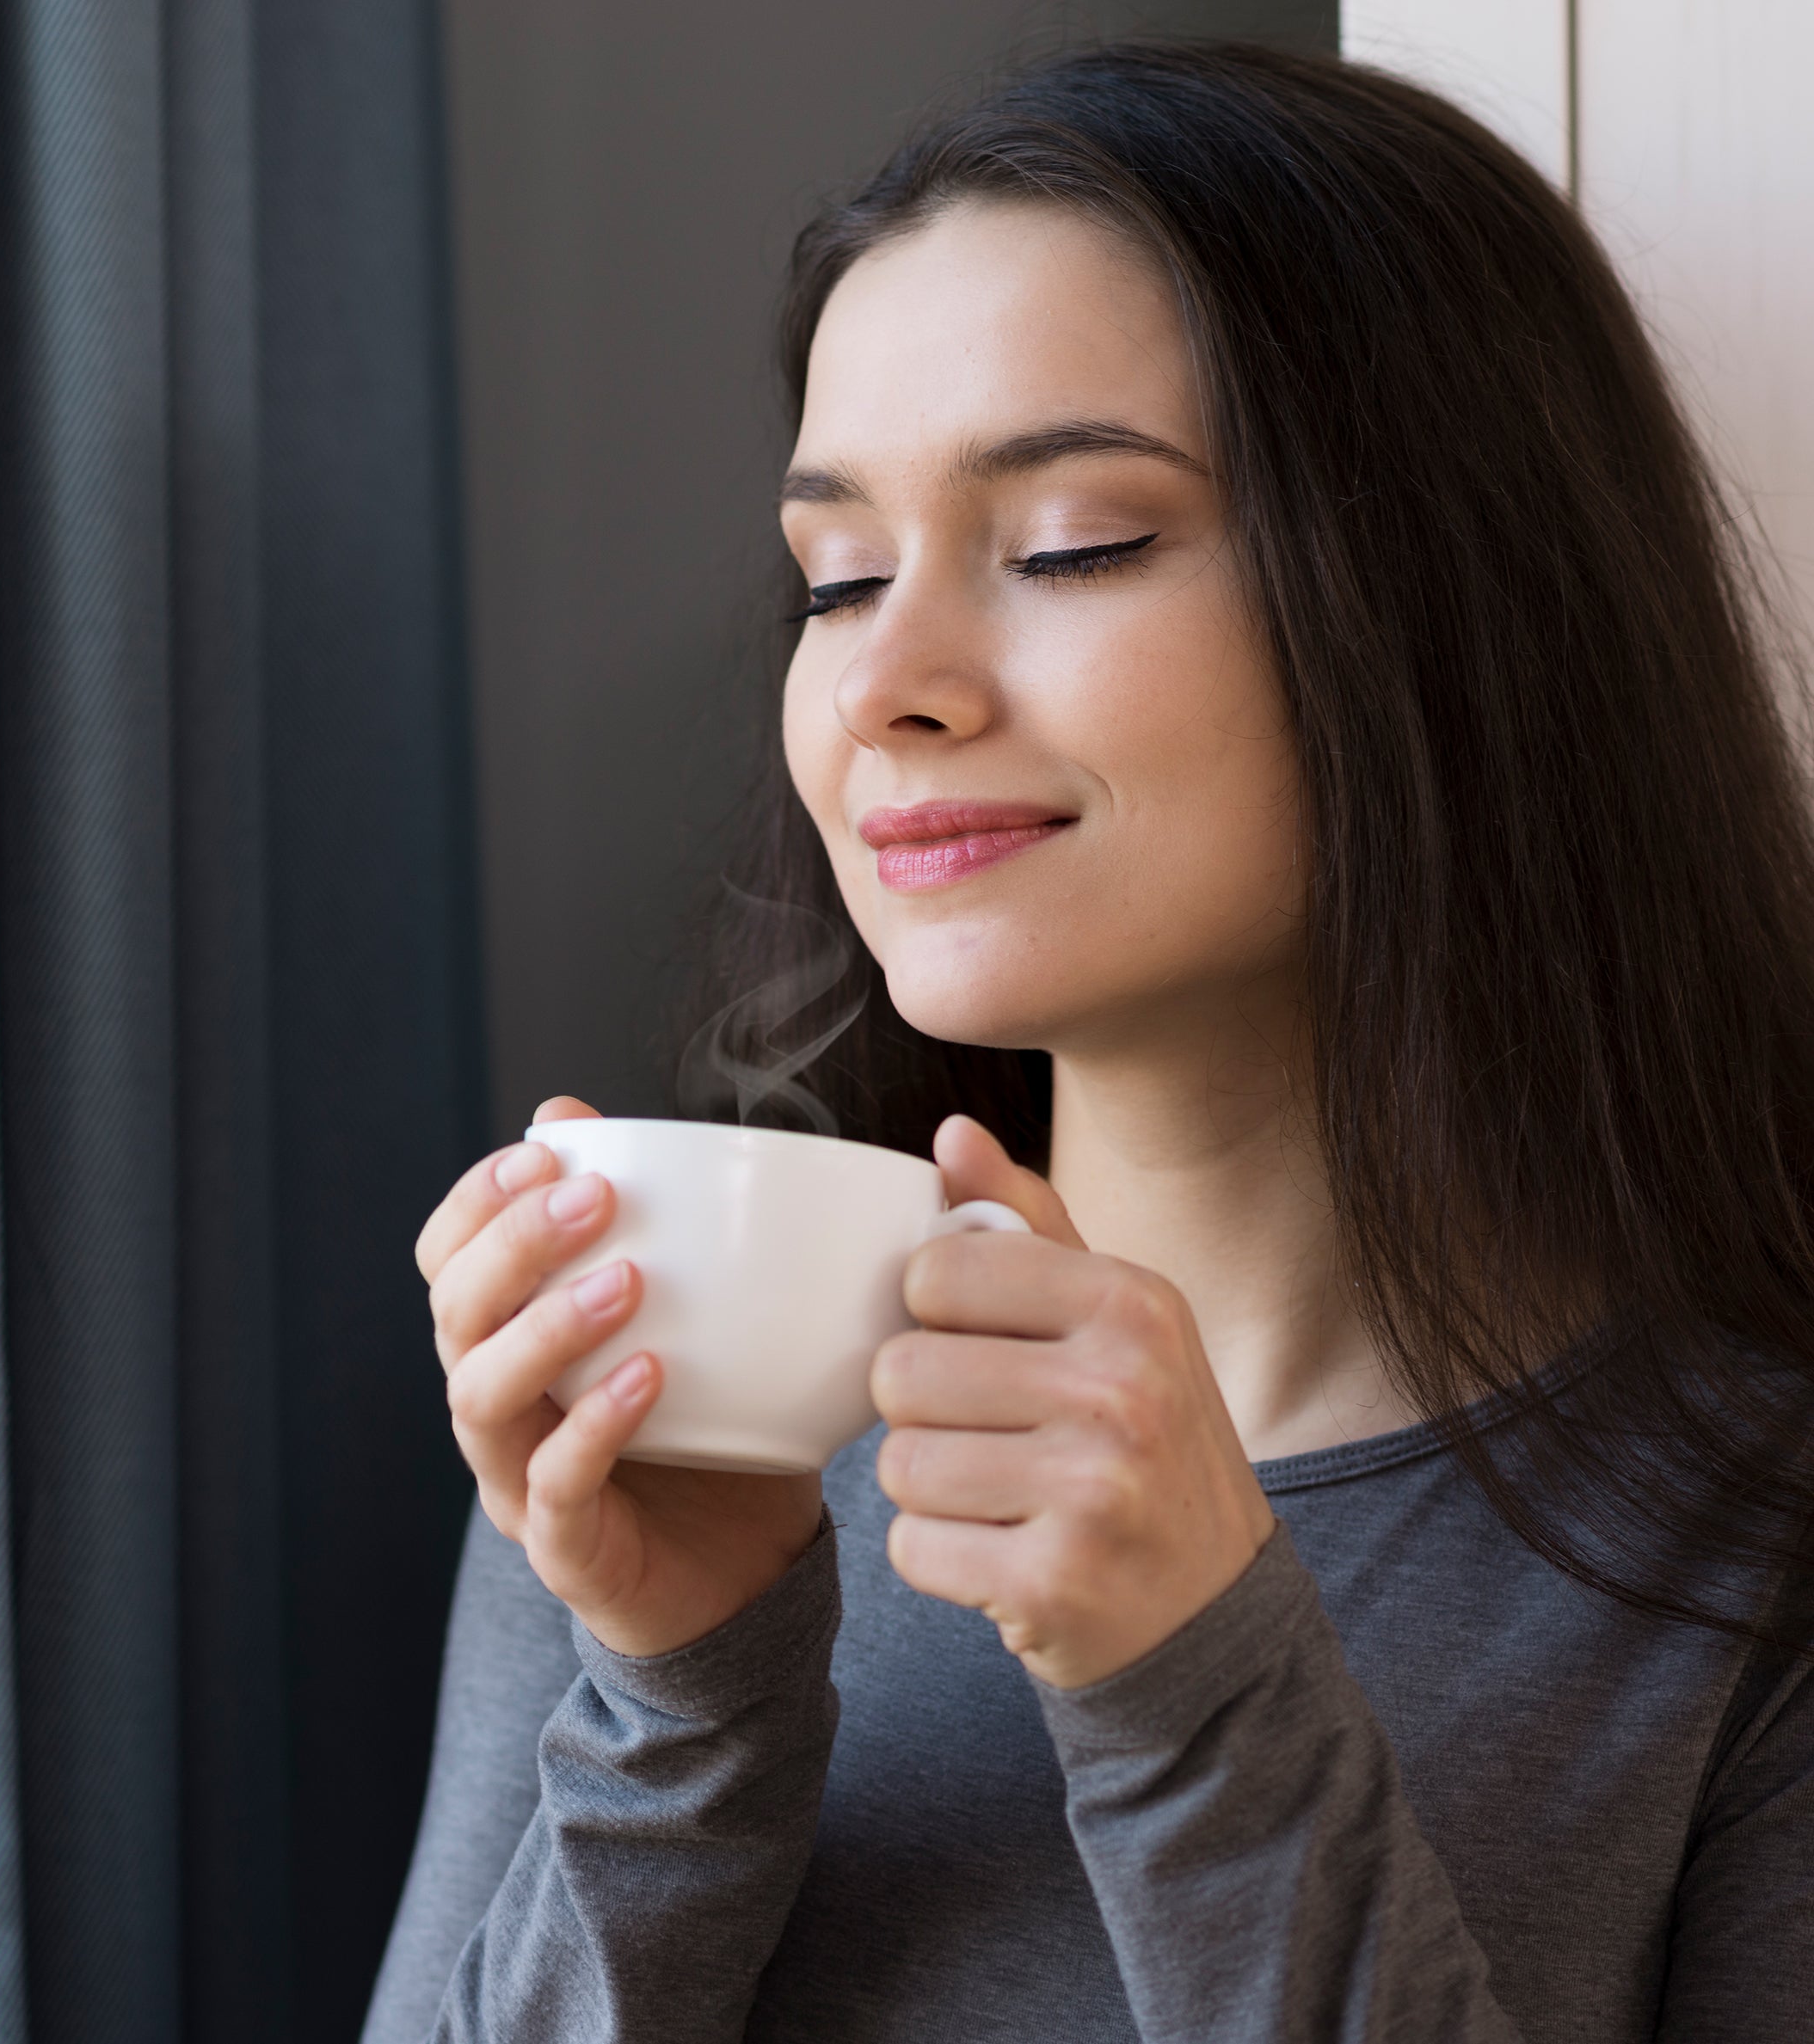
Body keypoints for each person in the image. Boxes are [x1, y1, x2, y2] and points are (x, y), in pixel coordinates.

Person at [365, 40, 1814, 2043]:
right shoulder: (683, 1421)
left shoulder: (1757, 1547)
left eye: (1069, 542)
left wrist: (1200, 1686)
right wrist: (680, 1713)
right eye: (837, 573)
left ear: (1452, 599)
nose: (887, 681)